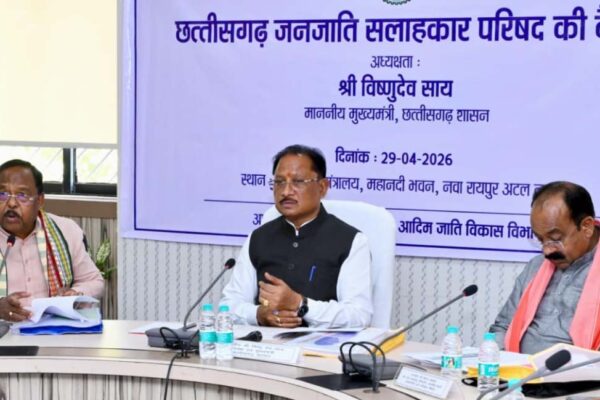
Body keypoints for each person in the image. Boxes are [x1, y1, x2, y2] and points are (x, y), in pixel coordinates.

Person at [221, 145, 373, 328]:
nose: (286, 191)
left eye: (298, 181)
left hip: (321, 344)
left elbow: (358, 315)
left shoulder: (351, 241)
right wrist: (258, 314)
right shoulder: (258, 238)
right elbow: (229, 305)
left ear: (323, 187)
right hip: (265, 342)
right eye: (279, 182)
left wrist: (300, 304)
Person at [490, 181, 600, 354]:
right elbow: (502, 326)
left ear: (586, 226)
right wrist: (493, 358)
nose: (547, 250)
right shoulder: (537, 266)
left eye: (555, 238)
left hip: (580, 370)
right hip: (517, 367)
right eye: (540, 240)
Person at [0, 159, 104, 322]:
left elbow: (94, 281)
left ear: (40, 200)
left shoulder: (66, 230)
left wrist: (75, 294)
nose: (11, 203)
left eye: (22, 195)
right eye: (3, 194)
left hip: (54, 329)